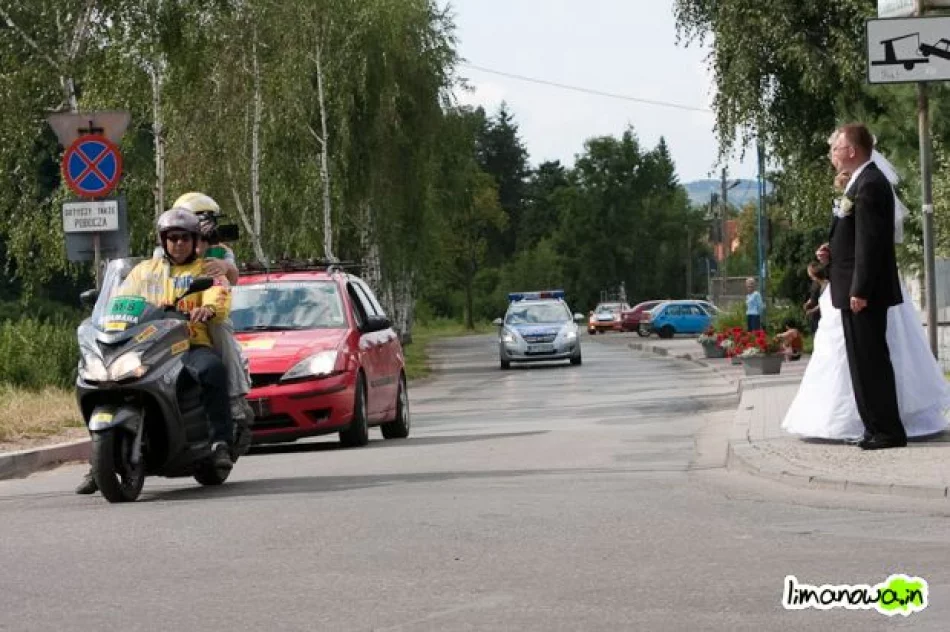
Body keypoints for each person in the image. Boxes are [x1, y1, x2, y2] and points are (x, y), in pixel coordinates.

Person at [783, 129, 949, 444]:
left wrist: (860, 289)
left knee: (871, 362)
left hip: (862, 292)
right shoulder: (860, 181)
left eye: (836, 148)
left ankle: (886, 429)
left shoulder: (870, 184)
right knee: (862, 362)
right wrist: (831, 252)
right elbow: (856, 237)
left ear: (852, 150)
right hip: (849, 286)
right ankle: (874, 427)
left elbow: (871, 245)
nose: (832, 153)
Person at [76, 209, 235, 494]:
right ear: (163, 240)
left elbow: (219, 293)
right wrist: (103, 308)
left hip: (187, 341)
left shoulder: (206, 269)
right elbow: (120, 298)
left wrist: (208, 308)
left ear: (194, 240)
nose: (178, 244)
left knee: (211, 369)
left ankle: (220, 442)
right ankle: (98, 461)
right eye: (172, 238)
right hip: (145, 342)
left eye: (184, 238)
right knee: (93, 378)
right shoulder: (143, 271)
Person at [803, 262, 828, 335]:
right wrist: (808, 303)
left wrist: (812, 311)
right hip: (814, 315)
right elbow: (813, 295)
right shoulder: (814, 283)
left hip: (821, 314)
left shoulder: (825, 284)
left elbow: (824, 303)